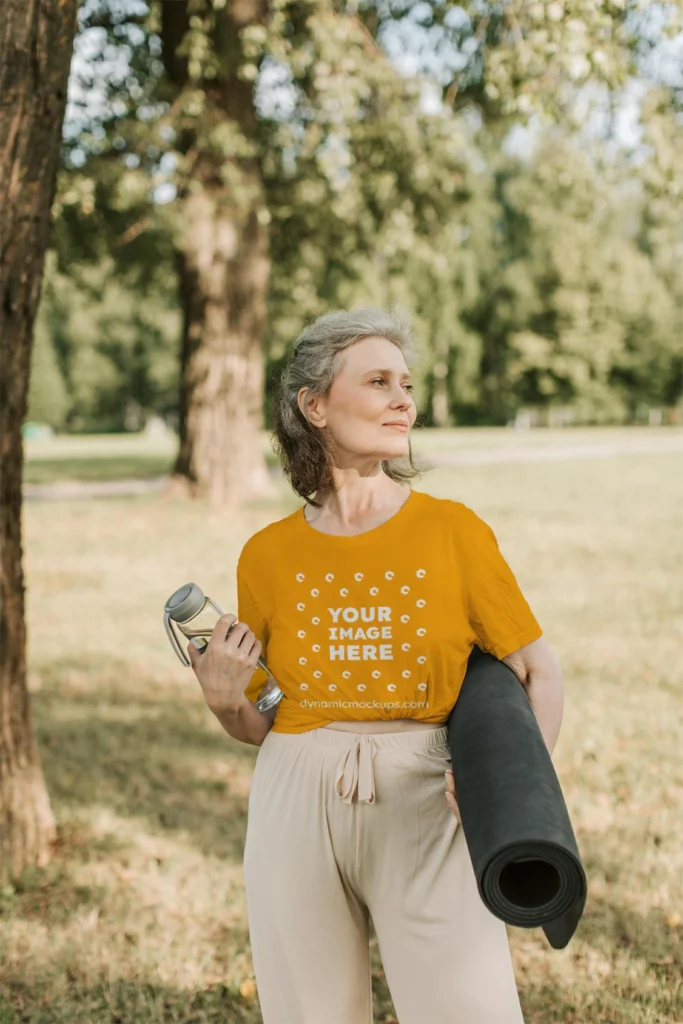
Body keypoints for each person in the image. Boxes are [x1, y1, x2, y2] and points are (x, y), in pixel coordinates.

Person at [188, 306, 564, 1023]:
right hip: (293, 791)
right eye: (379, 381)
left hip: (427, 790)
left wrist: (510, 796)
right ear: (315, 404)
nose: (403, 401)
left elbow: (537, 670)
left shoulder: (452, 531)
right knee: (308, 1012)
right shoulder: (265, 555)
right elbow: (260, 721)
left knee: (467, 1009)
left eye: (407, 385)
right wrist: (223, 698)